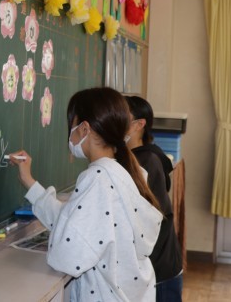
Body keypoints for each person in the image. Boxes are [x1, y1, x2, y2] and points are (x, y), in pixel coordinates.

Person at [9, 87, 163, 302]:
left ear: (83, 128)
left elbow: (67, 255)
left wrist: (56, 241)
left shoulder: (98, 178)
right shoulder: (122, 171)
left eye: (71, 126)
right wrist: (29, 182)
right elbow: (75, 222)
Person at [125, 96, 183, 302]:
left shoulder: (145, 162)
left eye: (121, 115)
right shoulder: (135, 157)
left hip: (159, 270)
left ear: (139, 124)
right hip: (155, 267)